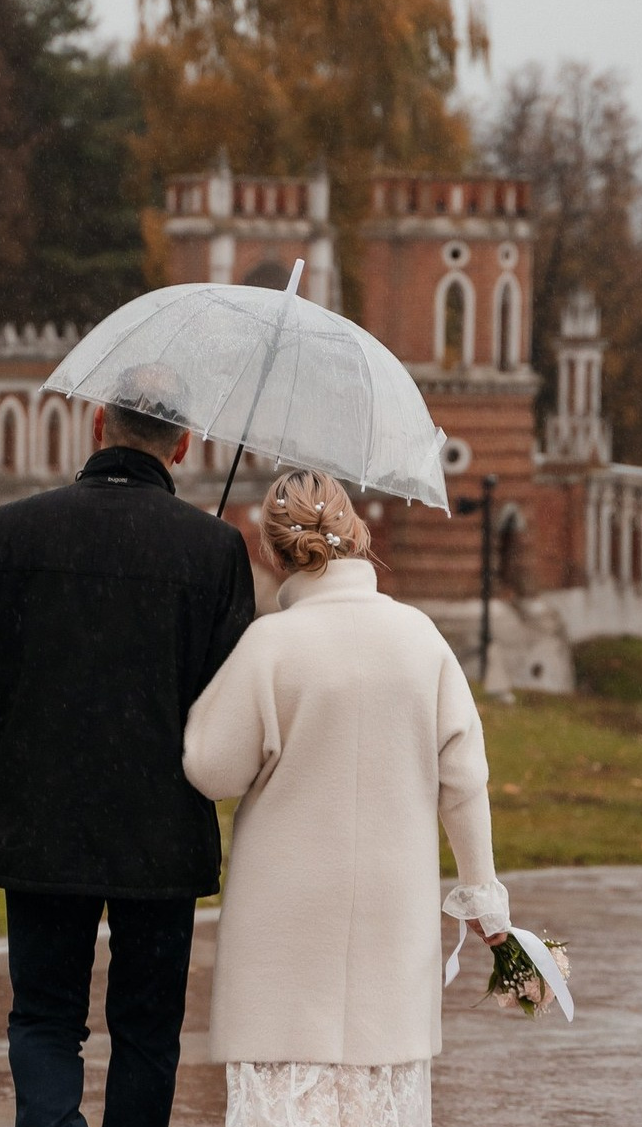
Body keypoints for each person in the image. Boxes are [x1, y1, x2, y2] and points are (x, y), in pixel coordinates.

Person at [0, 363, 257, 1127]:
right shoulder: (214, 550)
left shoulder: (16, 528)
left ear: (97, 428)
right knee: (146, 1029)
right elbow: (230, 703)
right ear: (182, 448)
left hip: (39, 815)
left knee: (44, 1015)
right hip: (160, 828)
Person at [182, 468, 511, 1127]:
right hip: (393, 907)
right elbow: (464, 775)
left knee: (288, 1084)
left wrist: (200, 697)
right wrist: (481, 891)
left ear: (275, 553)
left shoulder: (270, 646)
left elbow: (211, 770)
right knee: (377, 1083)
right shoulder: (421, 639)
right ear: (356, 535)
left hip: (286, 913)